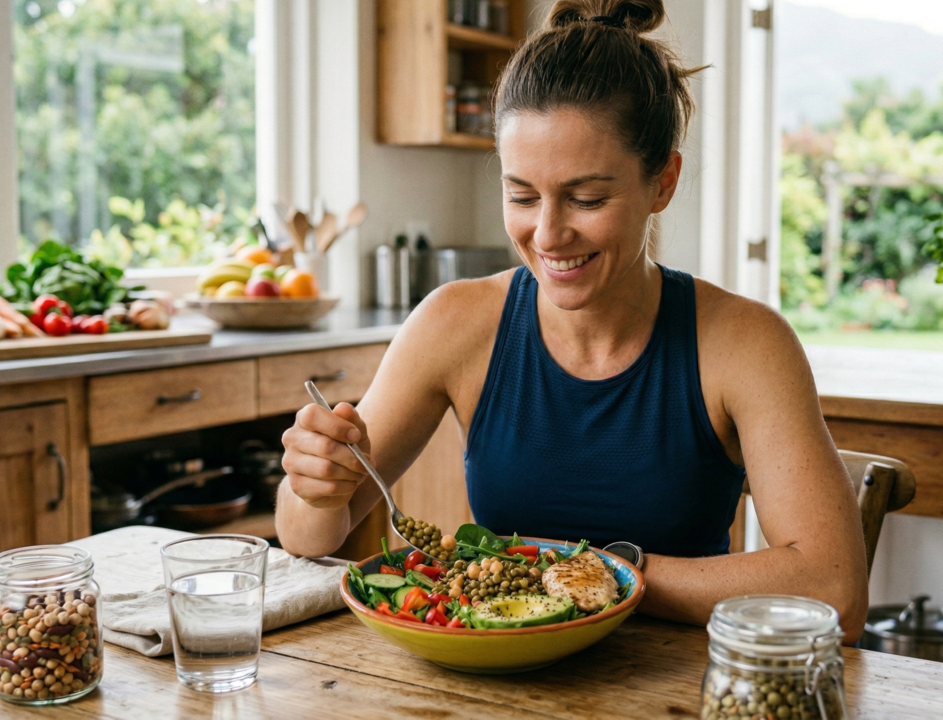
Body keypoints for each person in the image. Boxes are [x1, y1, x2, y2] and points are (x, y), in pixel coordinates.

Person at [276, 0, 868, 640]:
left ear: (662, 183)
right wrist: (317, 488)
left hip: (677, 685)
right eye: (521, 195)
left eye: (587, 198)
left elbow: (833, 591)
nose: (549, 234)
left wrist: (600, 574)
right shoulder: (454, 323)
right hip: (493, 685)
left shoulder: (745, 343)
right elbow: (310, 541)